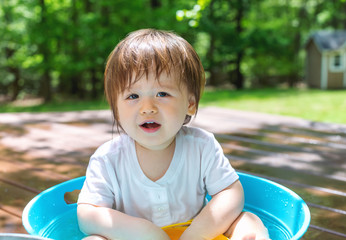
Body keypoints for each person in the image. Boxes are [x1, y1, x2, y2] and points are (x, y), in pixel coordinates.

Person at [77, 29, 269, 240]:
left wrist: (195, 235)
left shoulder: (202, 146)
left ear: (190, 103)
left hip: (198, 232)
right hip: (132, 237)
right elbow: (88, 215)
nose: (147, 107)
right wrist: (144, 232)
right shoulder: (108, 158)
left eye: (162, 94)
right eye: (133, 95)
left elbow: (231, 193)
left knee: (248, 221)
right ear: (116, 108)